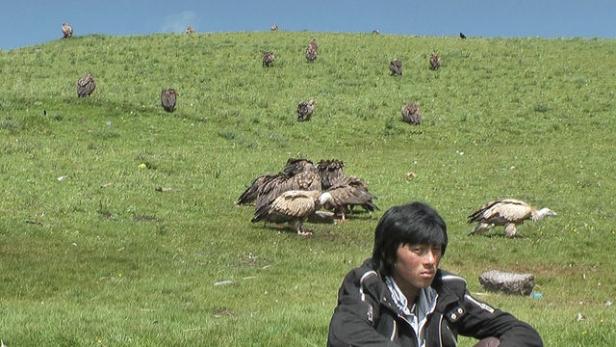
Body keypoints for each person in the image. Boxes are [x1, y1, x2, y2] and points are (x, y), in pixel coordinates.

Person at [327, 201, 543, 347]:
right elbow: (345, 334)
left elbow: (520, 331)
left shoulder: (446, 290)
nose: (430, 260)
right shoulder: (367, 284)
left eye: (436, 249)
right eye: (418, 250)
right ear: (389, 253)